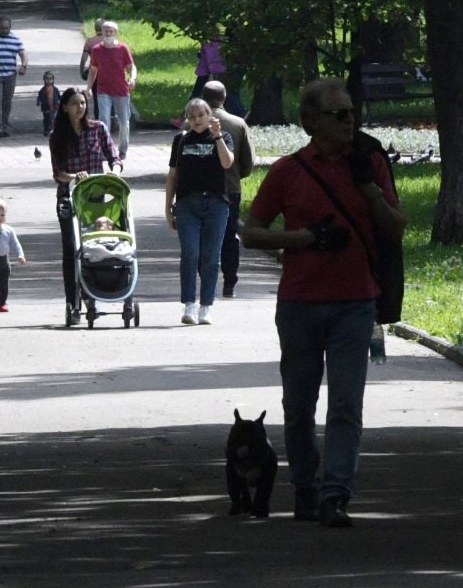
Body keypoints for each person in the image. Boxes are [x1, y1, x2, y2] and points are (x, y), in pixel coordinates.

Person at [241, 77, 405, 527]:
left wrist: (368, 186)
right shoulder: (289, 171)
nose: (350, 120)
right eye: (338, 114)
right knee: (298, 406)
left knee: (347, 404)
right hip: (300, 304)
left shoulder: (370, 163)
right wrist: (301, 239)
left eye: (352, 112)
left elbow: (395, 228)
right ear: (311, 120)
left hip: (357, 303)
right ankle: (306, 487)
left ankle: (336, 494)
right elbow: (249, 230)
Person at [49, 88, 122, 319]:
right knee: (71, 249)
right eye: (74, 103)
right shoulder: (56, 136)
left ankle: (94, 294)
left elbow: (114, 157)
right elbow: (58, 174)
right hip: (69, 198)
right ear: (65, 107)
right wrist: (75, 176)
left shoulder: (98, 128)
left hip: (96, 198)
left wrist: (115, 171)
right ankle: (73, 302)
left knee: (95, 246)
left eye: (82, 103)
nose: (79, 107)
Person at [165, 98, 235, 326]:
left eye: (200, 116)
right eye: (192, 116)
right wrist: (168, 208)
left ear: (209, 115)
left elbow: (227, 163)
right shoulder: (181, 140)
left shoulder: (223, 137)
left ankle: (206, 306)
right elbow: (173, 175)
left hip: (216, 204)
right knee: (190, 254)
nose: (196, 120)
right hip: (187, 204)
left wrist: (216, 136)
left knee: (211, 257)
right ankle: (189, 305)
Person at [201, 80, 254, 298]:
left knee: (204, 236)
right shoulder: (239, 123)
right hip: (230, 189)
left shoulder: (193, 123)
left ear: (203, 98)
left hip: (201, 189)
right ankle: (229, 282)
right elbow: (248, 163)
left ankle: (206, 281)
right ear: (224, 98)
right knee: (229, 235)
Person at [86, 20, 137, 159]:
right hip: (103, 91)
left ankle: (123, 150)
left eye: (111, 31)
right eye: (106, 31)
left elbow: (131, 67)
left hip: (121, 91)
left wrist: (132, 78)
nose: (108, 33)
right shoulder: (97, 50)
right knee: (103, 121)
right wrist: (89, 88)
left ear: (116, 33)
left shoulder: (122, 48)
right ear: (101, 32)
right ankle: (105, 150)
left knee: (124, 121)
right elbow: (93, 70)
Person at [80, 18, 105, 120]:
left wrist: (81, 71)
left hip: (94, 72)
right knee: (110, 94)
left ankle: (98, 118)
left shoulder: (90, 41)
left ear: (95, 28)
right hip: (108, 72)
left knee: (96, 97)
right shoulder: (109, 41)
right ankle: (111, 117)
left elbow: (84, 59)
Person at [36, 71, 61, 136]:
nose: (49, 81)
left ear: (53, 80)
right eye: (47, 79)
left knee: (52, 118)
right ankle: (46, 129)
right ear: (44, 80)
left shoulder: (55, 89)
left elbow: (58, 96)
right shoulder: (42, 90)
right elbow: (40, 96)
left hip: (54, 106)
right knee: (46, 119)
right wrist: (38, 101)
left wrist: (61, 101)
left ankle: (51, 130)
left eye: (50, 79)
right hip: (46, 107)